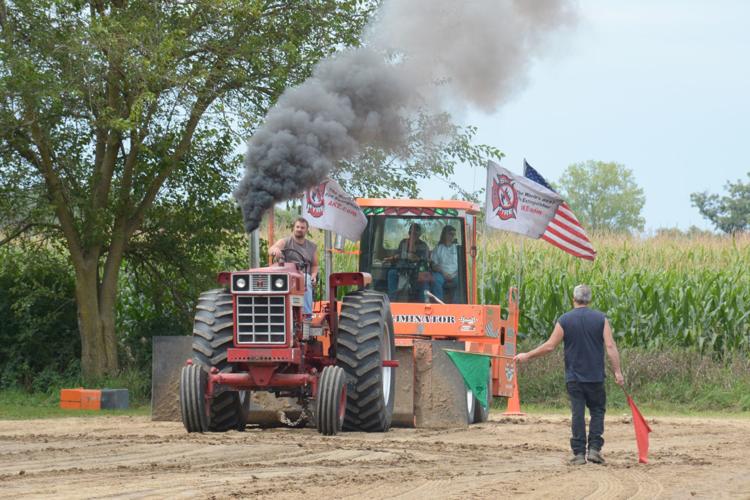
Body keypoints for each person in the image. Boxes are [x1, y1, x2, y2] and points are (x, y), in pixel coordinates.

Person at [514, 284, 624, 466]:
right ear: (590, 300)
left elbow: (550, 346)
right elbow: (610, 346)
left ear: (574, 299)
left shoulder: (564, 320)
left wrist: (527, 355)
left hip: (574, 377)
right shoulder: (601, 319)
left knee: (578, 413)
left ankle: (579, 454)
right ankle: (595, 450)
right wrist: (618, 372)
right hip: (595, 376)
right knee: (597, 411)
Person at [268, 217, 319, 316]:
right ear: (294, 228)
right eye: (298, 227)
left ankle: (306, 315)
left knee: (307, 281)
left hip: (302, 275)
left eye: (302, 227)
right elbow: (271, 249)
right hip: (285, 274)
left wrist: (314, 275)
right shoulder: (285, 241)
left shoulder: (312, 247)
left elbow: (315, 265)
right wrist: (275, 250)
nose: (299, 229)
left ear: (306, 230)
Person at [386, 222, 430, 301]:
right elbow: (398, 255)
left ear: (419, 234)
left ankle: (423, 304)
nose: (413, 235)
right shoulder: (403, 242)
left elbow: (425, 259)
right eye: (411, 233)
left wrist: (416, 257)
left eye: (416, 233)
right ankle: (391, 301)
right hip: (402, 269)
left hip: (418, 270)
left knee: (425, 280)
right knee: (391, 273)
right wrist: (392, 258)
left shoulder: (423, 245)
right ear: (409, 233)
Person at [431, 225, 458, 302]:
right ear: (444, 235)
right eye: (450, 234)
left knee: (462, 280)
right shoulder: (438, 248)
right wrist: (444, 273)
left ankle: (457, 305)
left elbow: (464, 264)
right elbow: (434, 265)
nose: (452, 236)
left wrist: (455, 274)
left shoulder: (457, 248)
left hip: (456, 274)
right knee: (435, 279)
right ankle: (439, 303)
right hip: (442, 274)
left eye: (454, 234)